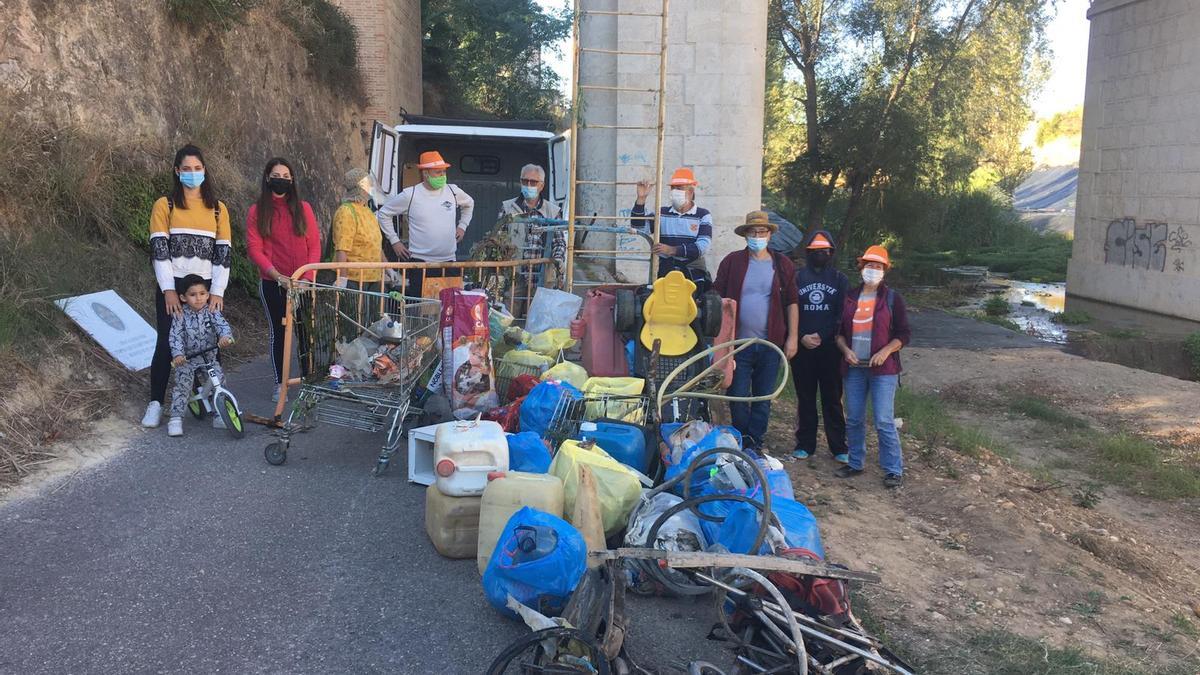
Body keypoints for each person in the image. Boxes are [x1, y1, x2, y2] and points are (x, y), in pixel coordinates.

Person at [141, 144, 232, 429]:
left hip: (204, 288)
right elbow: (160, 250)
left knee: (208, 345)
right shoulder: (164, 205)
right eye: (187, 169)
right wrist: (168, 289)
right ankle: (156, 403)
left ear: (204, 170)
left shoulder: (218, 209)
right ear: (177, 171)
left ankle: (213, 401)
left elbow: (223, 253)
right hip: (175, 286)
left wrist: (217, 291)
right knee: (168, 343)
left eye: (197, 168)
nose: (192, 174)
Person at [713, 211, 799, 451]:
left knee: (763, 397)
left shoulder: (782, 265)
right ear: (746, 235)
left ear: (770, 235)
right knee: (738, 395)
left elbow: (792, 302)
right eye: (753, 232)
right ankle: (742, 437)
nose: (757, 236)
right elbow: (717, 296)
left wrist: (792, 338)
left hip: (770, 344)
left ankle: (755, 441)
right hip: (738, 343)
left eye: (762, 232)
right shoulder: (732, 262)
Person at [833, 245, 911, 488]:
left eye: (878, 267)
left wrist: (886, 351)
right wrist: (846, 351)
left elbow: (904, 334)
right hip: (854, 368)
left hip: (883, 370)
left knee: (883, 420)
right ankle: (855, 462)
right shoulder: (849, 296)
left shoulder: (892, 298)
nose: (873, 270)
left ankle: (893, 470)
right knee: (854, 418)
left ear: (885, 270)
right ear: (861, 267)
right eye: (869, 266)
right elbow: (838, 333)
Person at [245, 157, 321, 401]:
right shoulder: (257, 211)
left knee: (304, 331)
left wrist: (308, 277)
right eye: (277, 175)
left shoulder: (303, 208)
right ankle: (280, 382)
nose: (282, 179)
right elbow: (255, 249)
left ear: (292, 180)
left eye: (286, 176)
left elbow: (314, 244)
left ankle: (309, 380)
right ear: (268, 178)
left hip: (302, 283)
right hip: (273, 283)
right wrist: (276, 275)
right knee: (278, 332)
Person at [375, 151, 475, 298]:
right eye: (438, 172)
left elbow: (469, 204)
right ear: (425, 173)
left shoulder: (453, 191)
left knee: (449, 308)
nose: (442, 176)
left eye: (443, 172)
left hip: (448, 262)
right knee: (420, 309)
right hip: (420, 263)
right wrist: (394, 241)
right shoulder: (411, 194)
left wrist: (462, 225)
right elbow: (383, 214)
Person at [790, 231, 850, 463]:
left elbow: (842, 315)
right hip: (803, 348)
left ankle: (839, 447)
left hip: (831, 349)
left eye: (825, 251)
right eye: (816, 251)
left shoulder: (840, 279)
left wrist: (823, 335)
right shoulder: (797, 278)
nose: (820, 254)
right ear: (808, 253)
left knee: (833, 398)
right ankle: (805, 444)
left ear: (831, 253)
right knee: (805, 397)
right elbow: (791, 309)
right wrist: (802, 336)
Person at [166, 275, 235, 437]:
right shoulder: (180, 315)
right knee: (182, 386)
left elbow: (222, 326)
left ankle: (220, 413)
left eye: (202, 293)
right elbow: (175, 336)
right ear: (183, 297)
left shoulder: (212, 311)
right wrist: (178, 354)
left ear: (208, 294)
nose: (199, 298)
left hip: (209, 358)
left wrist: (225, 337)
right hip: (187, 360)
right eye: (193, 294)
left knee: (219, 381)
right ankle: (176, 418)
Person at [631, 168, 713, 292]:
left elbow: (702, 247)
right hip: (665, 271)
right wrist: (641, 199)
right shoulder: (662, 213)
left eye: (679, 189)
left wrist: (672, 250)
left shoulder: (703, 215)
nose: (675, 192)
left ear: (690, 192)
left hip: (693, 273)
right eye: (673, 188)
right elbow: (640, 228)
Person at [497, 163, 566, 288]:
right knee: (510, 307)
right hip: (514, 277)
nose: (528, 185)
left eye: (533, 182)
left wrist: (558, 259)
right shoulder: (508, 208)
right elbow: (498, 240)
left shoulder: (553, 211)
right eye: (525, 181)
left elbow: (559, 242)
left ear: (541, 185)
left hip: (541, 278)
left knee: (539, 308)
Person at [332, 168, 383, 290]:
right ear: (358, 187)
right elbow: (342, 248)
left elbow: (376, 244)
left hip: (374, 278)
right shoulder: (346, 211)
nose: (370, 186)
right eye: (367, 183)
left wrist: (388, 269)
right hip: (353, 280)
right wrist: (342, 278)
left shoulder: (368, 211)